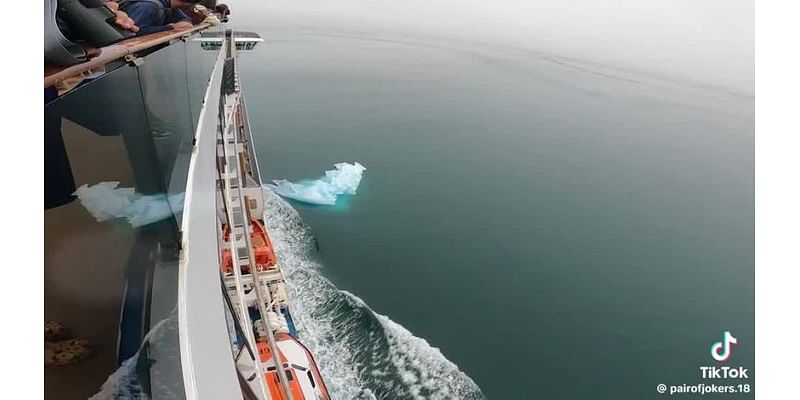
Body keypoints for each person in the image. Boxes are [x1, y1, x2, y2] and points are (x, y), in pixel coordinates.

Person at [118, 0, 202, 35]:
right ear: (188, 4)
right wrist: (170, 27)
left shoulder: (169, 7)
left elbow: (186, 20)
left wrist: (185, 22)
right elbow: (130, 33)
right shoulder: (150, 6)